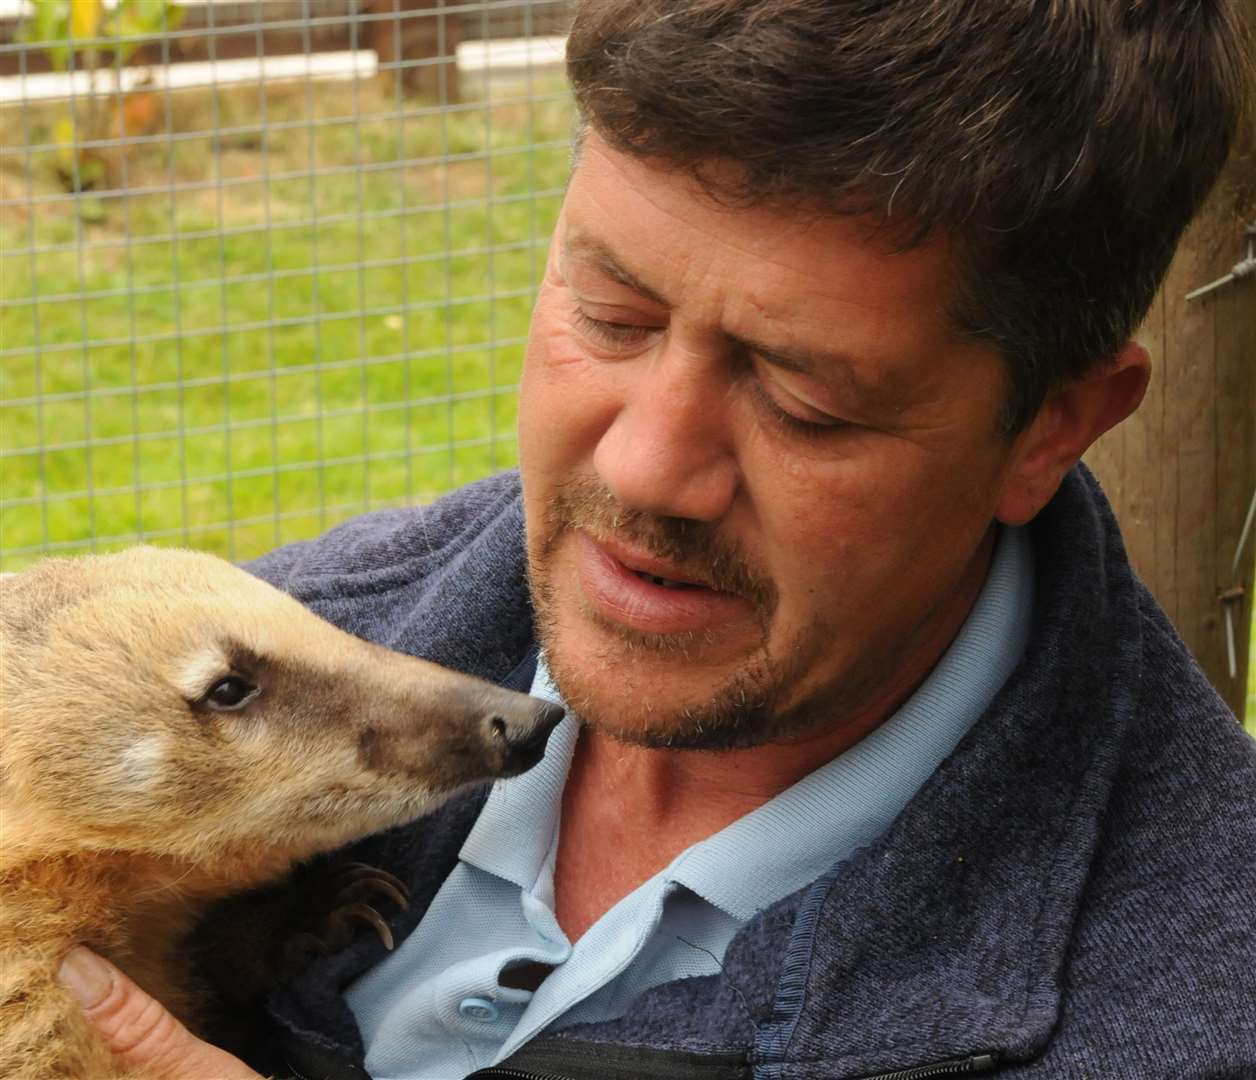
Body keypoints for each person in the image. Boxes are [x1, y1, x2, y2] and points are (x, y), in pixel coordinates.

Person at [61, 1, 1255, 1077]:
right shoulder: (308, 624)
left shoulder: (1187, 1013)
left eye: (804, 400)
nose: (644, 467)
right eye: (610, 316)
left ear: (1052, 429)